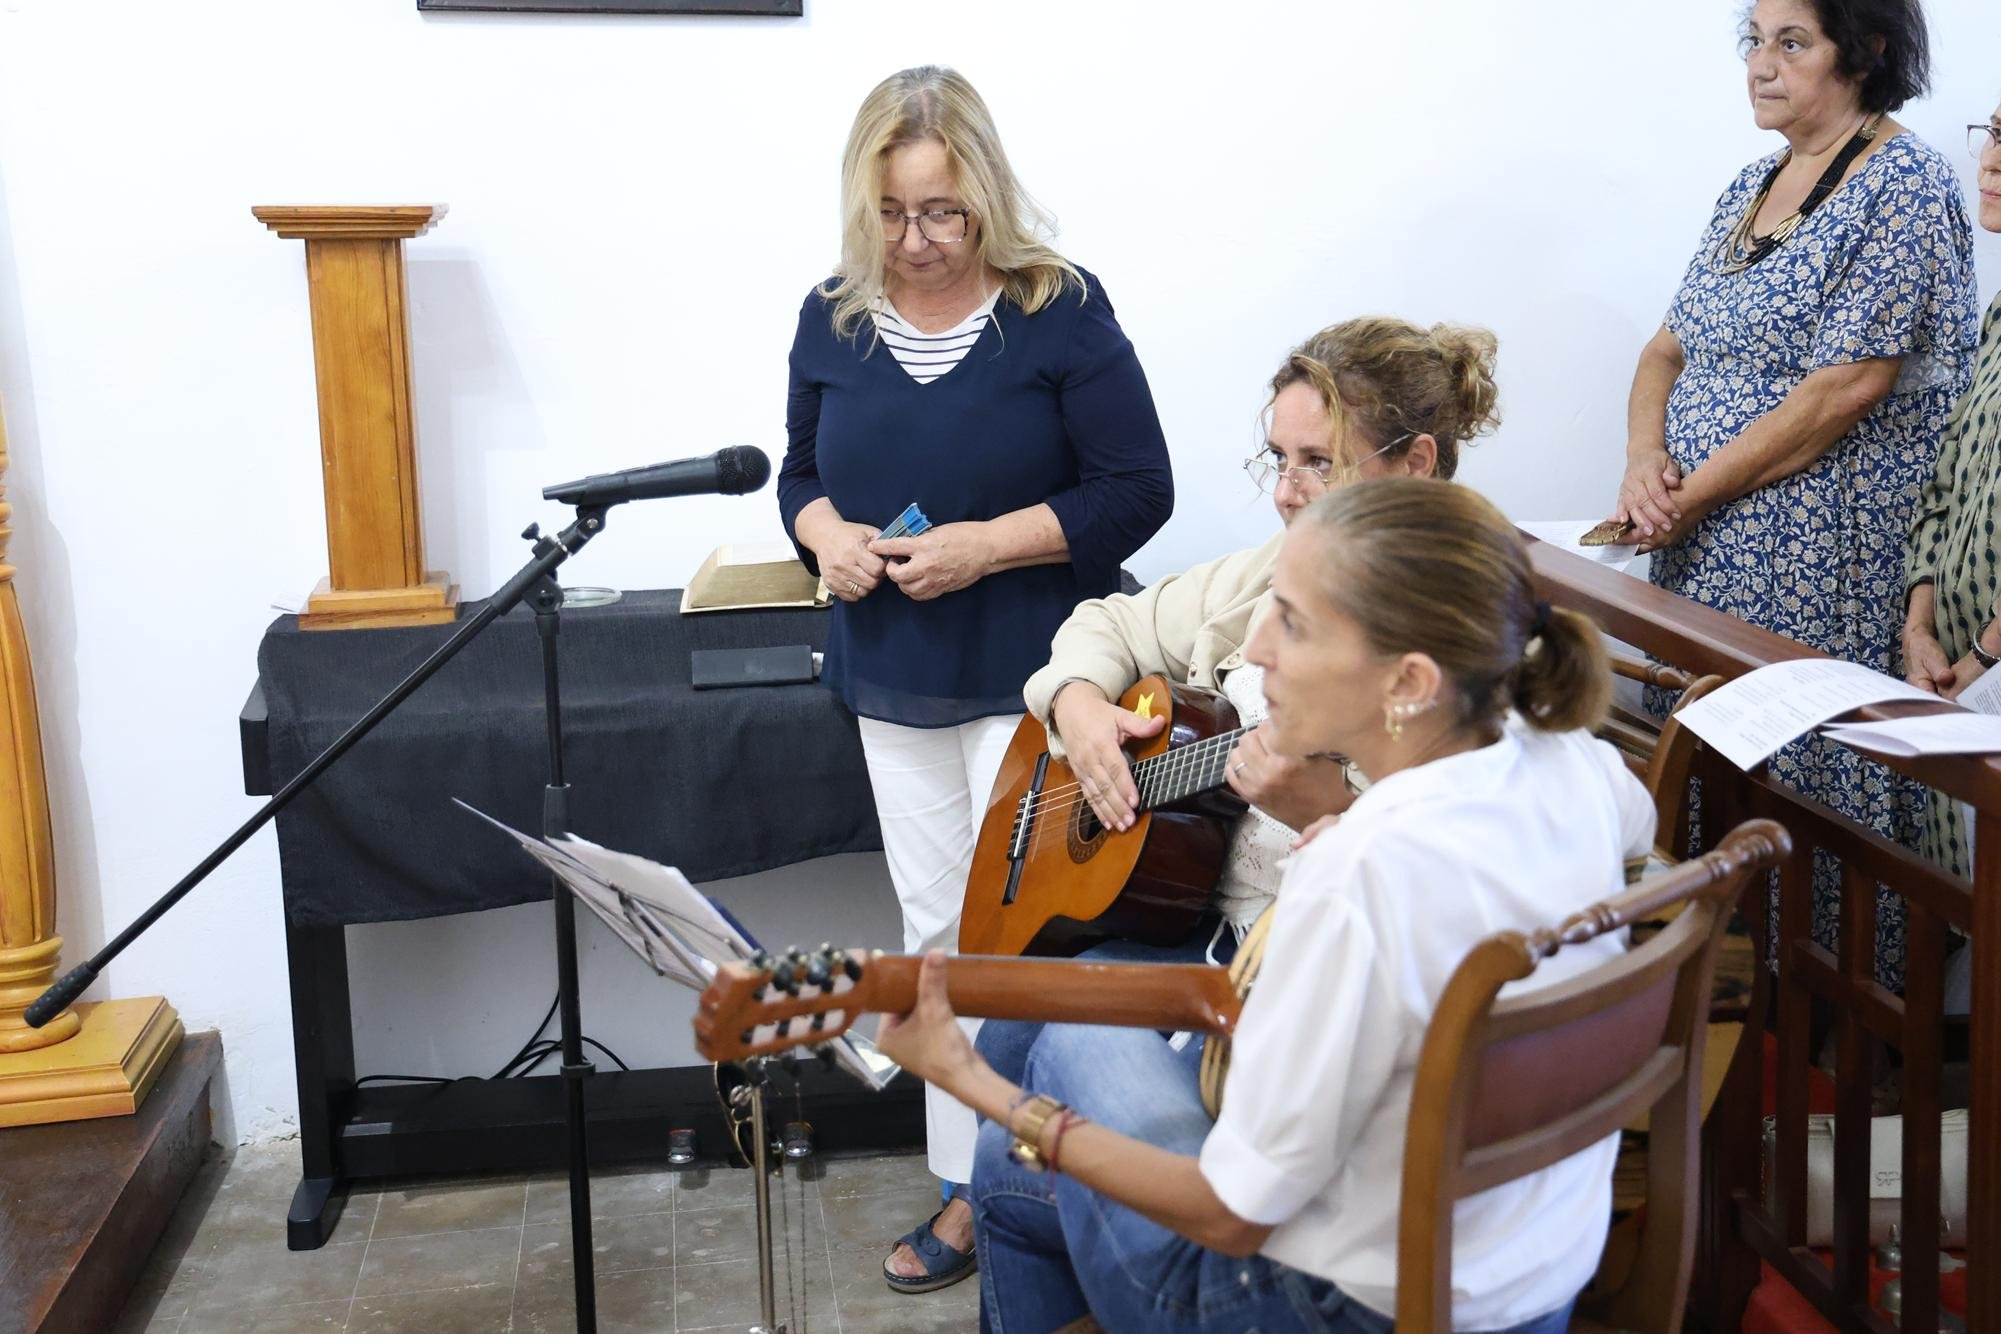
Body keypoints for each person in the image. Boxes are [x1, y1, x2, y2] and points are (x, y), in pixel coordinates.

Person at [875, 477, 1654, 1332]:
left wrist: (971, 1081)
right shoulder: (1577, 766)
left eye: (1292, 621)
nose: (1255, 645)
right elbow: (1626, 840)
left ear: (1408, 681)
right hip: (1529, 1279)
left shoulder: (1360, 871)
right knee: (1029, 1140)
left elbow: (1228, 1215)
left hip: (1321, 1308)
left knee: (1038, 1095)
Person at [777, 65, 1173, 1292]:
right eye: (893, 213)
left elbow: (1135, 489)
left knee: (1031, 934)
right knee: (936, 927)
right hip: (890, 669)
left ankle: (1040, 1173)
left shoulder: (1058, 309)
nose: (918, 239)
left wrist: (987, 544)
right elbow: (797, 473)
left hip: (1036, 672)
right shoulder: (832, 316)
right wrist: (824, 535)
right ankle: (967, 1188)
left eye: (942, 211)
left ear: (985, 194)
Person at [1606, 0, 1977, 984]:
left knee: (1814, 788)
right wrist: (1647, 462)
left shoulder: (1903, 179)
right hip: (1703, 548)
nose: (1760, 67)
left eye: (1791, 44)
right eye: (1754, 43)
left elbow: (1843, 389)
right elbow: (1664, 348)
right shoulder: (1749, 184)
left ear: (1866, 55)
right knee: (1711, 777)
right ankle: (1713, 1008)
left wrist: (1687, 495)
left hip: (1827, 559)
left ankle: (1819, 1036)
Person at [1902, 103, 2001, 884]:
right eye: (1996, 132)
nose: (1992, 161)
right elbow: (1946, 483)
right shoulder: (1997, 316)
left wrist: (1981, 657)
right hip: (1955, 669)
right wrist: (1919, 624)